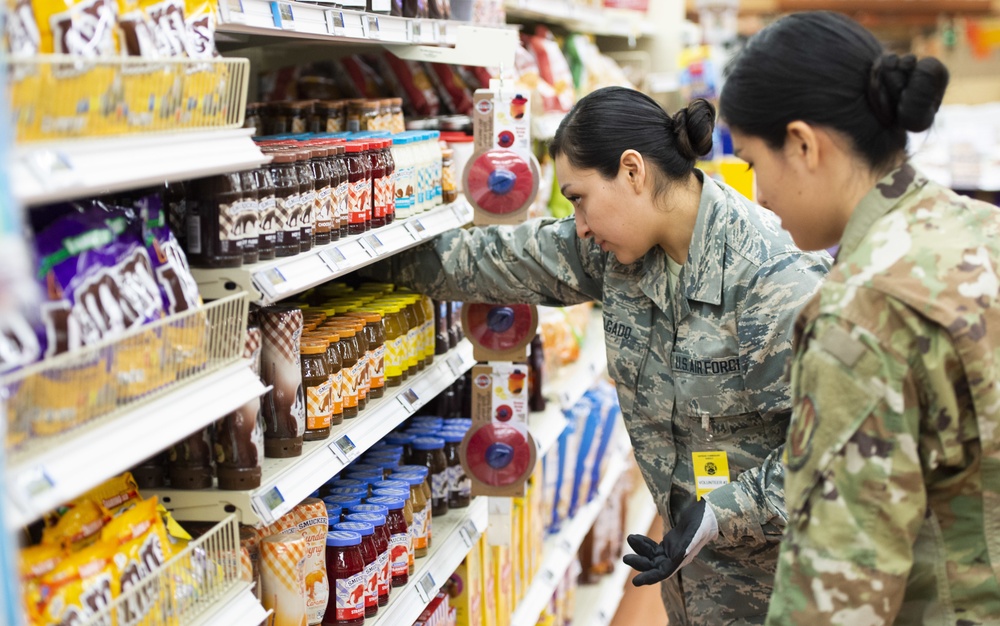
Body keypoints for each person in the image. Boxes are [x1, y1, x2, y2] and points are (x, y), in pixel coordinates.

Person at [374, 86, 829, 624]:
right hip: (690, 586)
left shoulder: (774, 281)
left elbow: (830, 462)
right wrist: (356, 260)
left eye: (579, 197)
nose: (581, 223)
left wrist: (718, 515)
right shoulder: (621, 254)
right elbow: (497, 260)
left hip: (783, 591)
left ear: (633, 171)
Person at [719, 11, 1000, 625]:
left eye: (751, 163)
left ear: (801, 143)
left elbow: (838, 594)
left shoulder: (860, 314)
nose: (757, 195)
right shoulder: (981, 228)